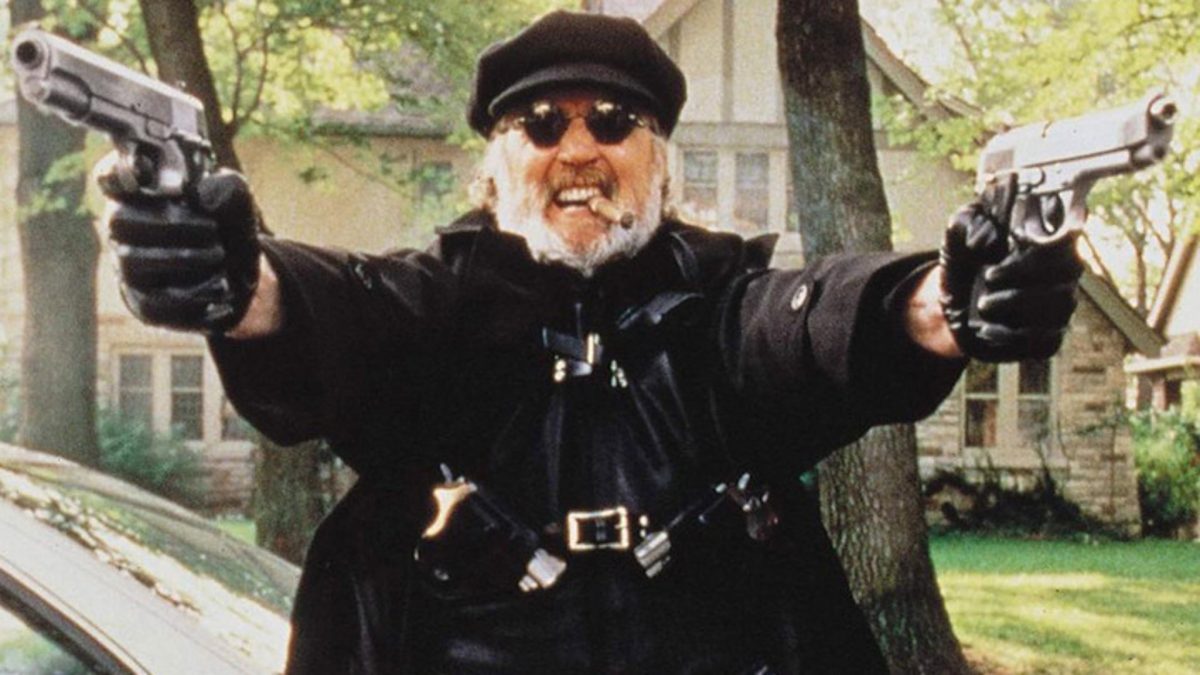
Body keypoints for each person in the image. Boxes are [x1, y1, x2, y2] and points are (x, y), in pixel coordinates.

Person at [100, 10, 1082, 675]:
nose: (578, 150)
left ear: (658, 158)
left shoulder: (721, 307)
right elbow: (335, 314)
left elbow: (807, 325)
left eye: (613, 122)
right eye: (540, 125)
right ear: (498, 164)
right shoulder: (431, 308)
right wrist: (236, 284)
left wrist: (942, 304)